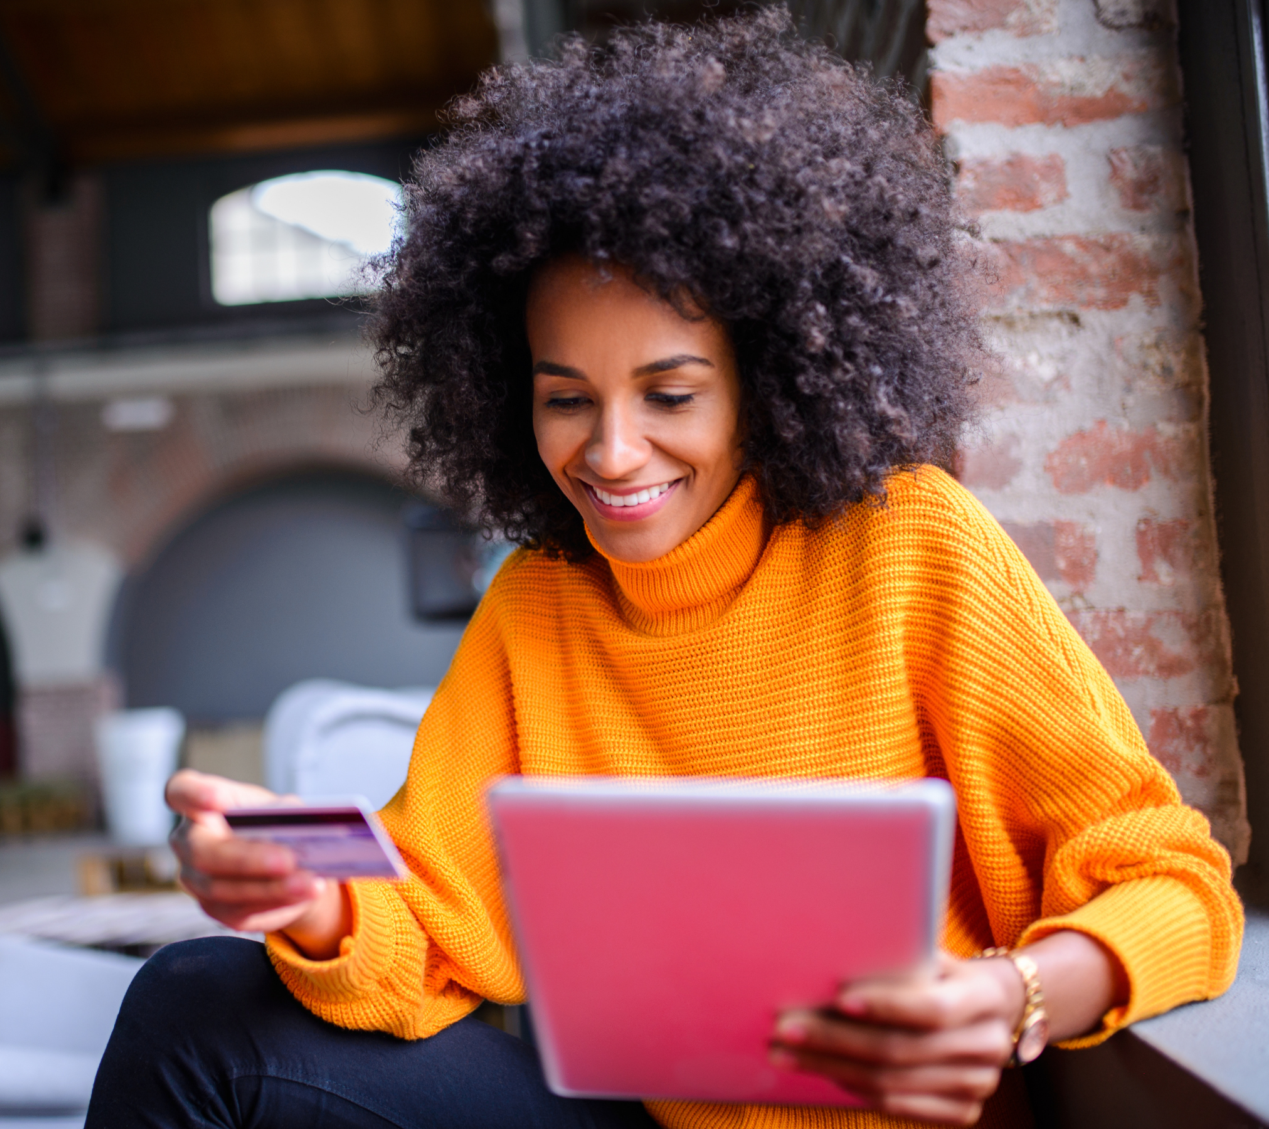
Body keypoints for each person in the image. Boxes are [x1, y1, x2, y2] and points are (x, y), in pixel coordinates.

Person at [88, 12, 1243, 1129]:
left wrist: (1011, 996)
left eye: (670, 394)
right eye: (564, 400)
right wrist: (314, 896)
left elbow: (1177, 886)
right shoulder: (537, 604)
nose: (610, 451)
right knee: (191, 1004)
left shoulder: (909, 548)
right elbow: (427, 927)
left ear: (772, 374)